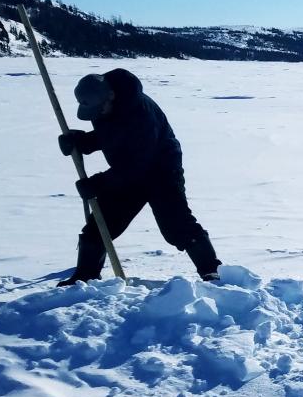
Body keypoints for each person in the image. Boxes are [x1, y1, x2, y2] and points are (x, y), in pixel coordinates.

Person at [56, 68, 222, 285]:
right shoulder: (105, 106)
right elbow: (111, 135)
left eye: (98, 110)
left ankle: (212, 272)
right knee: (100, 223)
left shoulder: (140, 113)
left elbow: (137, 163)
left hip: (161, 171)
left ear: (111, 96)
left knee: (177, 226)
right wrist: (82, 142)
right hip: (126, 174)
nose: (96, 115)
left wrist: (98, 184)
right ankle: (84, 278)